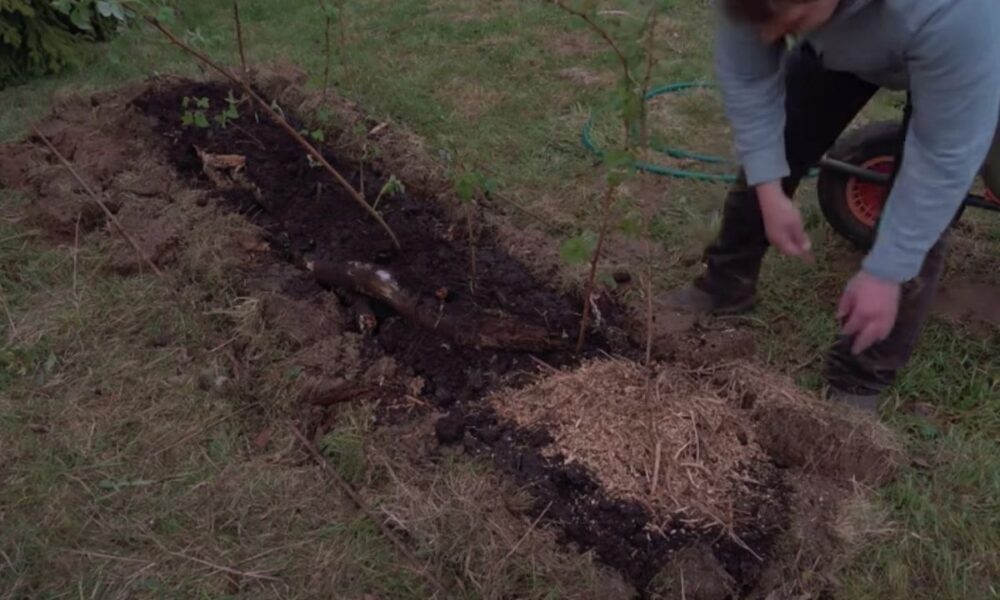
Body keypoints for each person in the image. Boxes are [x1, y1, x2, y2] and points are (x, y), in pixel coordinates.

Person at [664, 0, 1000, 411]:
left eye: (787, 20)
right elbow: (749, 81)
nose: (770, 39)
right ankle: (725, 285)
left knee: (920, 213)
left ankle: (860, 375)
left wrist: (886, 272)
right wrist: (769, 190)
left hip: (961, 50)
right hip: (844, 41)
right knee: (784, 135)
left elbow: (941, 160)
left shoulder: (957, 14)